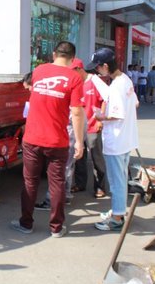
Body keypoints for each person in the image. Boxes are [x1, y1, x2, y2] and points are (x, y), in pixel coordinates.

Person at [10, 41, 84, 238]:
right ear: (72, 58)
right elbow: (76, 112)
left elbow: (33, 93)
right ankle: (56, 228)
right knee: (57, 183)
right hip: (57, 141)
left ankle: (26, 224)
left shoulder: (39, 71)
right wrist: (79, 141)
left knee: (30, 181)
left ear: (54, 54)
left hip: (32, 138)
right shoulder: (74, 78)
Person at [87, 48, 139, 231]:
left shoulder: (117, 86)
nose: (97, 72)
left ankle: (117, 219)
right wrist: (94, 80)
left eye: (98, 68)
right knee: (121, 179)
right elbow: (136, 103)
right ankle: (118, 211)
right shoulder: (125, 80)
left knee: (116, 182)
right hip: (125, 140)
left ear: (106, 66)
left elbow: (117, 114)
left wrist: (101, 117)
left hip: (116, 142)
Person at [37, 57, 86, 210]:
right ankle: (65, 196)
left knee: (62, 168)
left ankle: (52, 200)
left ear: (78, 70)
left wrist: (78, 141)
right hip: (72, 129)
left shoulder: (76, 85)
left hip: (70, 130)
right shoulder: (77, 84)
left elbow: (76, 113)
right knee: (68, 166)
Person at [73, 66, 109, 199]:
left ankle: (100, 187)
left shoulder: (95, 81)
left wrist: (100, 119)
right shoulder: (75, 82)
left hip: (93, 125)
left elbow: (106, 98)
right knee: (79, 156)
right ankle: (80, 183)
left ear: (79, 69)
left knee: (96, 157)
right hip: (78, 126)